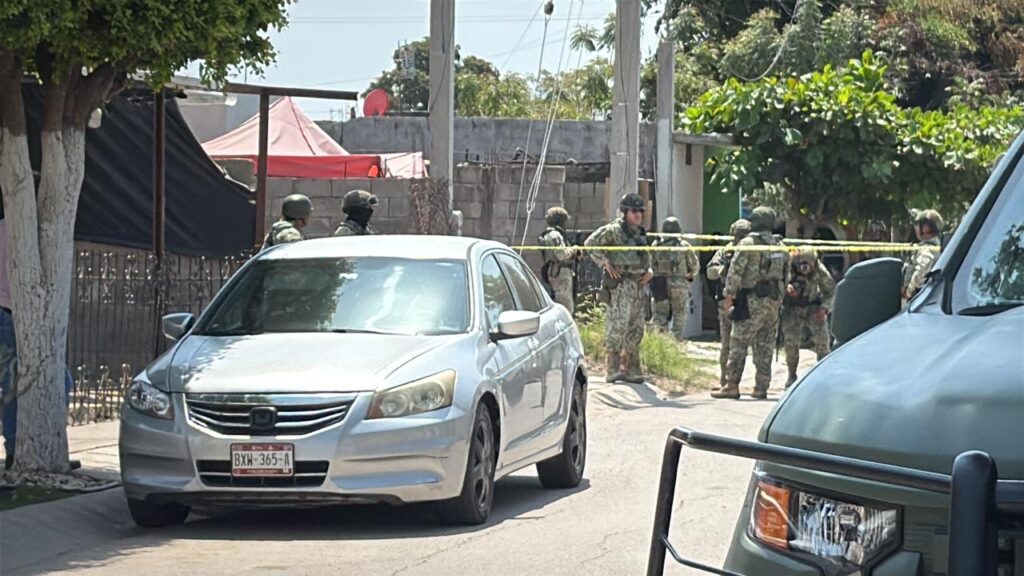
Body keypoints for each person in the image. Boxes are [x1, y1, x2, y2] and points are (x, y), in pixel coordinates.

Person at [0, 205, 76, 470]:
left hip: (16, 313)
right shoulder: (25, 233)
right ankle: (18, 449)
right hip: (12, 313)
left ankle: (25, 447)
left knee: (21, 384)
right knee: (21, 384)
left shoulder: (13, 229)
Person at [713, 206, 789, 400]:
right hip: (773, 302)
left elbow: (735, 271)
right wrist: (779, 299)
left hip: (750, 302)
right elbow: (786, 275)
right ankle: (761, 387)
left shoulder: (747, 244)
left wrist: (728, 296)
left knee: (738, 342)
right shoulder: (781, 246)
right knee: (765, 344)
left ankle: (732, 385)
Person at [585, 193, 652, 384]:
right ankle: (612, 368)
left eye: (640, 211)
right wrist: (604, 262)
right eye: (634, 211)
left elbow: (646, 256)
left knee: (636, 328)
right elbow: (590, 244)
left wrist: (650, 271)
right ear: (624, 212)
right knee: (617, 326)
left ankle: (631, 367)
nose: (638, 215)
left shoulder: (640, 233)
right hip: (621, 285)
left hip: (638, 285)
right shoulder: (613, 230)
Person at [706, 218, 751, 388]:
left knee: (745, 344)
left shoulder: (755, 250)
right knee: (727, 343)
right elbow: (710, 272)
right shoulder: (725, 252)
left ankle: (746, 382)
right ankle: (725, 379)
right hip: (727, 302)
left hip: (749, 302)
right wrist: (722, 269)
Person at [781, 247, 835, 388]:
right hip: (792, 309)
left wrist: (824, 308)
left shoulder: (819, 270)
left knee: (823, 341)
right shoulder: (787, 267)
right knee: (791, 342)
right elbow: (776, 283)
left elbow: (831, 290)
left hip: (813, 307)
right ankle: (791, 374)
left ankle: (824, 375)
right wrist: (786, 288)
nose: (804, 268)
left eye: (808, 265)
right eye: (801, 264)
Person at [651, 217, 700, 342]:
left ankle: (661, 344)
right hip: (679, 286)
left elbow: (650, 265)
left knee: (660, 316)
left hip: (660, 285)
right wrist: (689, 276)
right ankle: (676, 344)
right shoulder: (683, 246)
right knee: (679, 316)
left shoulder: (656, 245)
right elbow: (694, 266)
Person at [538, 207, 578, 313]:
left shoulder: (550, 234)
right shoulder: (555, 235)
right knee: (565, 307)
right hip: (560, 273)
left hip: (556, 271)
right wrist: (574, 249)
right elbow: (561, 254)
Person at [902, 208, 943, 301]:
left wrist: (909, 291)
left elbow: (922, 270)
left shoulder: (928, 249)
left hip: (917, 299)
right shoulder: (933, 246)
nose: (915, 227)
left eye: (917, 224)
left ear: (926, 228)